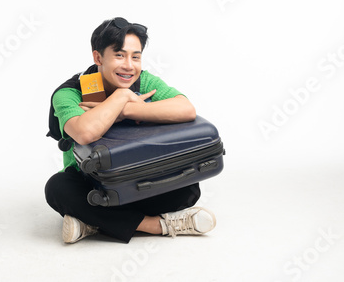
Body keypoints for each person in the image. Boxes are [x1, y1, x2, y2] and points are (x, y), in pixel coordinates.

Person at [44, 17, 216, 244]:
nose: (129, 65)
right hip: (91, 184)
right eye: (119, 55)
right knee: (57, 189)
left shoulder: (144, 81)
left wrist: (127, 110)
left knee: (188, 190)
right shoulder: (69, 93)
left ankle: (92, 224)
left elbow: (186, 109)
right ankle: (160, 225)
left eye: (135, 57)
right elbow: (85, 133)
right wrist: (121, 95)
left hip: (137, 176)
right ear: (98, 57)